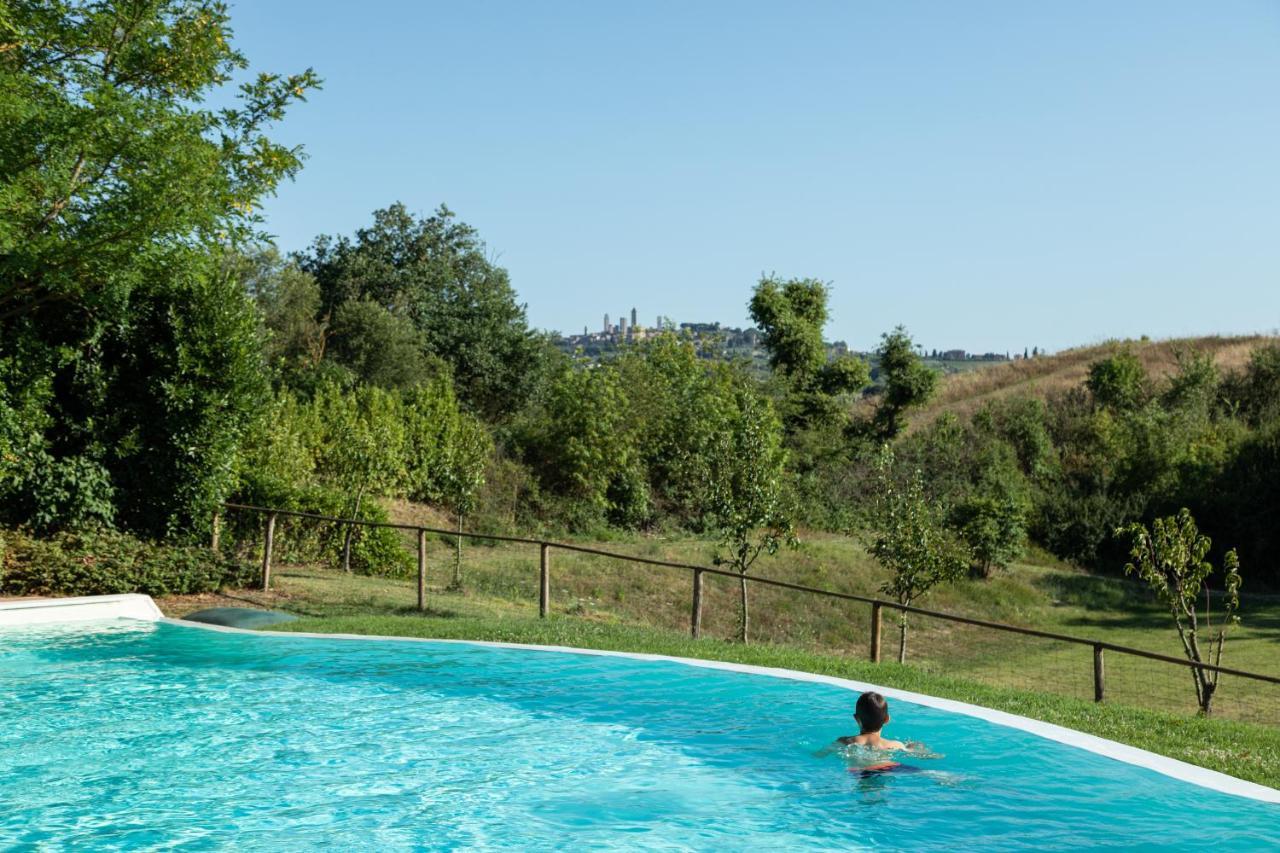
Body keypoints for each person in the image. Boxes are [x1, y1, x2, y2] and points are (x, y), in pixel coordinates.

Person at [837, 691, 905, 751]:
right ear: (887, 719)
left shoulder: (844, 741)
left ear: (856, 719)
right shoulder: (895, 745)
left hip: (856, 765)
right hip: (886, 765)